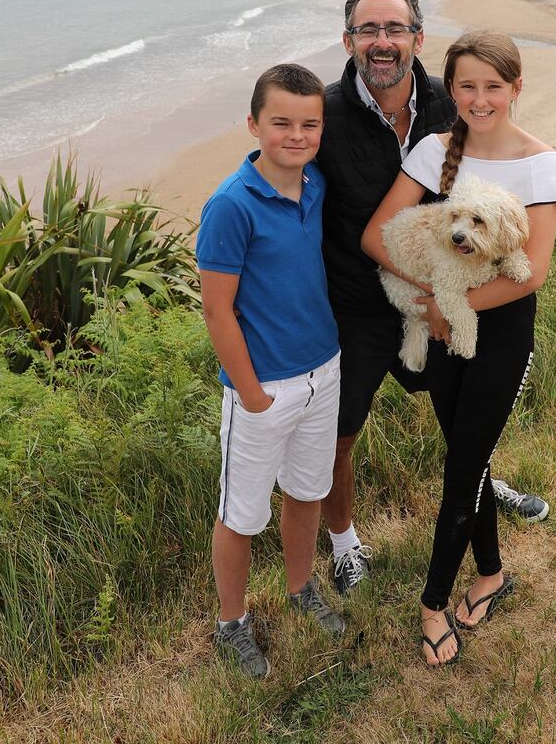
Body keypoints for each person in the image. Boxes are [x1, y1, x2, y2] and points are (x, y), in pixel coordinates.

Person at [316, 0, 549, 600]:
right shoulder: (325, 114)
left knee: (467, 404)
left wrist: (447, 301)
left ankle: (477, 485)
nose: (382, 42)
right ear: (348, 41)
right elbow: (280, 168)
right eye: (369, 29)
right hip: (359, 304)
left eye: (395, 29)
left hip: (447, 293)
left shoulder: (456, 103)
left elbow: (503, 183)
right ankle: (344, 544)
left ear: (418, 39)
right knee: (341, 428)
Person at [361, 30, 556, 666]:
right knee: (466, 459)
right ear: (451, 90)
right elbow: (376, 239)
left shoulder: (539, 162)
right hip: (441, 314)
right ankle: (493, 572)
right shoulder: (431, 151)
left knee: (462, 469)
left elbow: (533, 269)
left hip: (499, 334)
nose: (480, 99)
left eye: (493, 87)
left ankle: (431, 603)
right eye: (467, 86)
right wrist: (433, 304)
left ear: (516, 89)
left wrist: (457, 311)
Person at [197, 64, 345, 680]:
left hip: (324, 370)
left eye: (309, 124)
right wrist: (252, 394)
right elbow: (216, 309)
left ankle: (301, 587)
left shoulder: (315, 184)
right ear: (254, 124)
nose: (296, 134)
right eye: (281, 122)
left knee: (308, 494)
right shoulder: (232, 205)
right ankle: (231, 623)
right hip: (265, 389)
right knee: (241, 514)